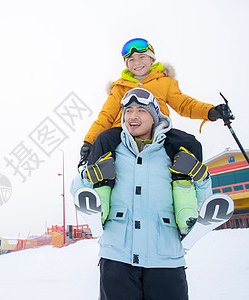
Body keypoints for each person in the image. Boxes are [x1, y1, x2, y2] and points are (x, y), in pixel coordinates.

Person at [87, 89, 212, 299]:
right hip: (118, 260)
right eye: (128, 111)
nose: (133, 116)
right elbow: (80, 194)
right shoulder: (110, 147)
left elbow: (204, 202)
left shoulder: (174, 150)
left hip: (165, 260)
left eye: (141, 111)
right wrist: (91, 175)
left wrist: (201, 175)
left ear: (154, 117)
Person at [79, 37, 232, 167]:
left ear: (152, 59)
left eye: (142, 57)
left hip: (158, 130)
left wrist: (210, 111)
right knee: (104, 140)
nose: (136, 62)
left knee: (190, 143)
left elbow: (184, 104)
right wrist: (89, 142)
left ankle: (184, 185)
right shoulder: (121, 87)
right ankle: (99, 186)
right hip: (125, 130)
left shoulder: (164, 82)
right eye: (131, 60)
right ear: (127, 64)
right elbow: (106, 116)